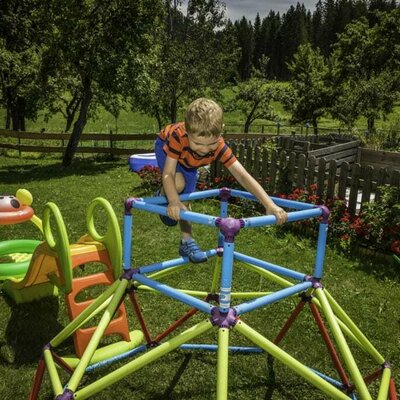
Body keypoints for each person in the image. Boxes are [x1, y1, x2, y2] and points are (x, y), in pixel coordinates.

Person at [155, 98, 287, 263]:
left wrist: (269, 204)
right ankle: (163, 194)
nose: (204, 150)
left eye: (210, 144)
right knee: (177, 184)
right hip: (166, 148)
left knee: (186, 202)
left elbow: (243, 176)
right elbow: (168, 173)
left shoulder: (219, 146)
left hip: (189, 161)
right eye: (198, 143)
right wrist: (173, 200)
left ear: (221, 133)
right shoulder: (178, 137)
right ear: (187, 132)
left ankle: (186, 241)